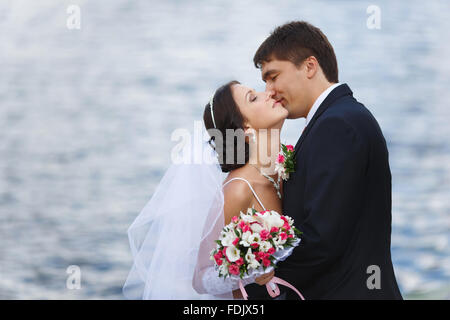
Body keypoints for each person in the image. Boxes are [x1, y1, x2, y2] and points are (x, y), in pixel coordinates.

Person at [244, 21, 403, 299]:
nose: (269, 90)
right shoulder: (337, 118)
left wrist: (257, 288)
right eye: (265, 81)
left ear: (309, 66)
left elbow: (322, 240)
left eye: (273, 76)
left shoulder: (338, 125)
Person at [123, 80, 287, 299]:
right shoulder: (238, 190)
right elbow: (200, 279)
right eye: (253, 97)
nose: (267, 93)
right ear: (245, 128)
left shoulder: (281, 166)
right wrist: (253, 270)